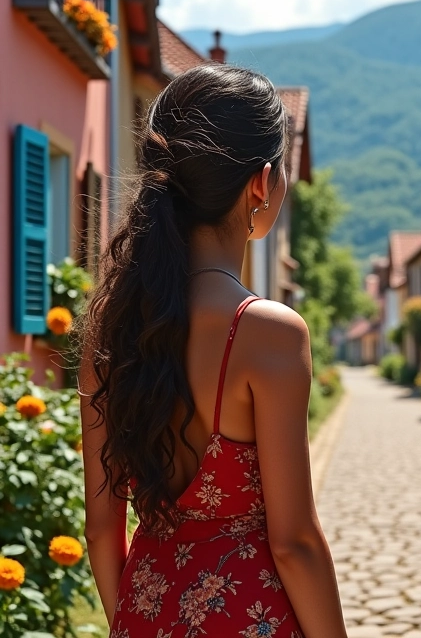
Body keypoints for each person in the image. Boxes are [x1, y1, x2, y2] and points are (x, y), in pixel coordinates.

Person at [78, 64, 347, 638]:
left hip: (143, 616)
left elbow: (102, 530)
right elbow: (294, 541)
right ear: (261, 182)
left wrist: (134, 621)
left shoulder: (112, 326)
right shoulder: (269, 333)